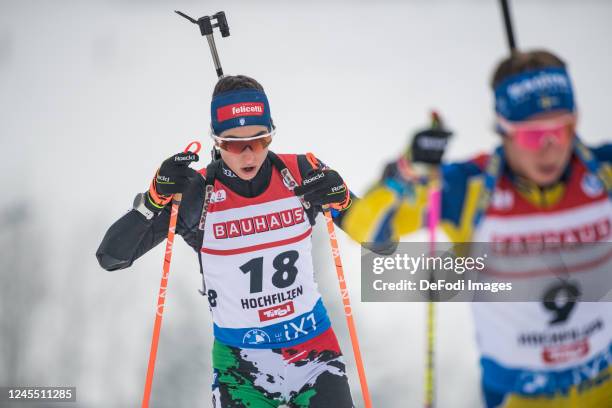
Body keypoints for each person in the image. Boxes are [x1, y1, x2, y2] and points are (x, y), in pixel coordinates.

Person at [343, 50, 612, 407]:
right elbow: (367, 230)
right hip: (518, 395)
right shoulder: (469, 188)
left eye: (561, 130)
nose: (549, 149)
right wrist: (409, 168)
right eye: (532, 136)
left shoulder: (603, 172)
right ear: (503, 129)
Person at [97, 75, 356, 407]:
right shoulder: (196, 194)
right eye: (234, 143)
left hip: (315, 357)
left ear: (272, 133)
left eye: (260, 140)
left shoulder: (302, 174)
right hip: (241, 369)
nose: (248, 155)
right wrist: (153, 200)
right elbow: (111, 257)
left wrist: (346, 201)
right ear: (216, 142)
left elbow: (383, 242)